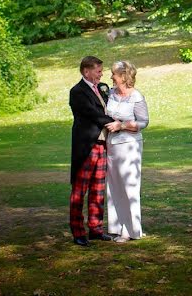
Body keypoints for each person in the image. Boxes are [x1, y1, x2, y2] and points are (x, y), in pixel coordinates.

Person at [68, 55, 118, 247]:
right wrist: (117, 124)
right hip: (86, 146)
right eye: (98, 71)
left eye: (101, 71)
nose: (101, 75)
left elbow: (111, 106)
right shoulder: (77, 92)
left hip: (102, 145)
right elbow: (94, 114)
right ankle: (78, 232)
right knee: (80, 191)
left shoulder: (103, 88)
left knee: (98, 190)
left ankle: (96, 229)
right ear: (86, 71)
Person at [105, 60, 149, 243]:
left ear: (123, 76)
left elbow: (143, 122)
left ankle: (131, 230)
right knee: (114, 186)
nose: (111, 76)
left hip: (129, 146)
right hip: (112, 145)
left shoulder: (136, 96)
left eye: (113, 73)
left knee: (129, 186)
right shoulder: (111, 94)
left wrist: (122, 125)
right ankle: (117, 226)